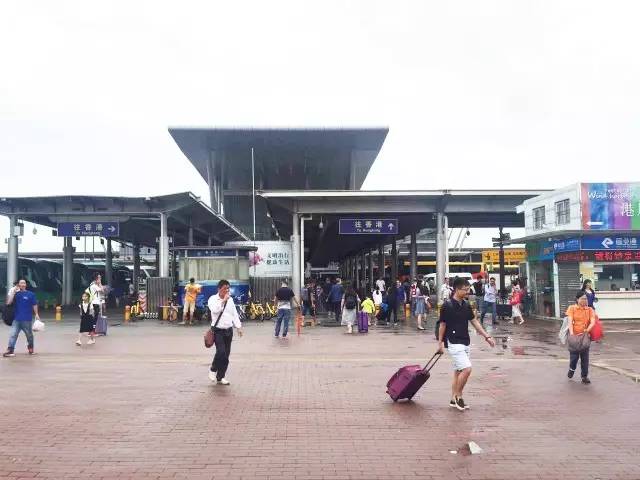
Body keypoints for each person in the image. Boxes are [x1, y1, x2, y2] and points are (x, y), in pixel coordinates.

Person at [437, 278, 496, 411]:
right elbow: (442, 325)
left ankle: (453, 399)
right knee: (467, 369)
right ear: (457, 290)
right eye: (465, 289)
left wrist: (487, 336)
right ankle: (459, 396)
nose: (468, 292)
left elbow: (474, 321)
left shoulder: (466, 304)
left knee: (458, 371)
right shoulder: (447, 306)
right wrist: (440, 343)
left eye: (468, 289)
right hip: (454, 342)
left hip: (465, 341)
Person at [207, 279, 244, 385]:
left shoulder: (230, 300)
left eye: (228, 288)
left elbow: (234, 314)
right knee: (221, 352)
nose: (227, 290)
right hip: (218, 330)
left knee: (226, 355)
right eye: (225, 288)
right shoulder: (213, 299)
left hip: (228, 330)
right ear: (219, 289)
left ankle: (221, 376)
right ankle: (213, 369)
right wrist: (223, 300)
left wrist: (238, 327)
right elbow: (214, 310)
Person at [3, 279, 40, 357]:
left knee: (29, 335)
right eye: (21, 283)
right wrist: (13, 292)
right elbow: (8, 303)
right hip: (16, 319)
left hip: (27, 319)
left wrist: (36, 314)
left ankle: (31, 348)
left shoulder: (31, 294)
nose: (22, 284)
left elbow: (34, 304)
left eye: (24, 283)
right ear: (18, 285)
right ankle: (10, 350)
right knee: (13, 334)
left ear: (26, 285)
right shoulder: (16, 294)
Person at [566, 291, 596, 384]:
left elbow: (593, 322)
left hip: (585, 337)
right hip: (574, 336)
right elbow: (570, 321)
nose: (584, 300)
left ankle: (584, 376)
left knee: (585, 357)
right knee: (574, 357)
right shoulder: (572, 308)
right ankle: (572, 369)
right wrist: (572, 334)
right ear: (577, 299)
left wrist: (587, 330)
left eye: (586, 299)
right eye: (582, 298)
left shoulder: (590, 310)